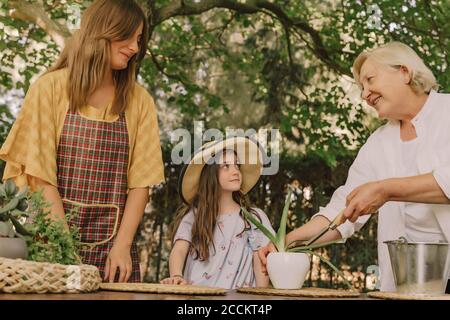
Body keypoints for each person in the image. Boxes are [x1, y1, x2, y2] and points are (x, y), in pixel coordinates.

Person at [259, 41, 450, 292]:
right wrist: (290, 239)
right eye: (362, 87)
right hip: (406, 285)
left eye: (370, 79)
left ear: (405, 72)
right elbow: (343, 209)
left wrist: (385, 190)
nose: (364, 94)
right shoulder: (379, 143)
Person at [0, 0, 165, 283]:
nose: (136, 48)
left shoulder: (140, 101)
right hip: (52, 245)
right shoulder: (49, 88)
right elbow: (41, 179)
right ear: (102, 31)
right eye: (128, 37)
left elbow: (141, 183)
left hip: (115, 252)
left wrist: (123, 246)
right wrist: (64, 252)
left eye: (139, 40)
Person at [160, 137, 274, 289]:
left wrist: (261, 298)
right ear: (210, 175)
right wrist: (176, 276)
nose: (235, 171)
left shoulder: (253, 218)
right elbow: (179, 250)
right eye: (226, 166)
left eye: (237, 165)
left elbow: (261, 260)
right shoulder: (195, 216)